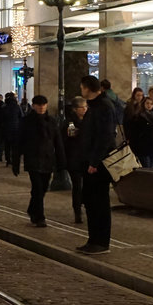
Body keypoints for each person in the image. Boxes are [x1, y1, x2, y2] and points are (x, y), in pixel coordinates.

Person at [78, 75, 118, 254]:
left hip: (98, 163)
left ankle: (100, 242)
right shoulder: (95, 106)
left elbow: (105, 136)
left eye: (82, 88)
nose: (81, 91)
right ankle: (93, 239)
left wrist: (94, 161)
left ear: (87, 88)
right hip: (90, 160)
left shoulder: (103, 106)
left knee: (98, 201)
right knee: (91, 201)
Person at [15, 94, 65, 228]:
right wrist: (15, 162)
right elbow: (19, 141)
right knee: (37, 188)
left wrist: (61, 161)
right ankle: (40, 217)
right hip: (33, 159)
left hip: (48, 159)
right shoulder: (26, 121)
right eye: (38, 105)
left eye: (43, 105)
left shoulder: (52, 121)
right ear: (33, 106)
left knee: (43, 188)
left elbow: (58, 141)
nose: (41, 107)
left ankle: (32, 209)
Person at [64, 96, 88, 224]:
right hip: (74, 158)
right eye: (82, 107)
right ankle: (77, 211)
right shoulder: (70, 122)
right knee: (77, 186)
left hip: (86, 158)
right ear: (75, 109)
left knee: (87, 186)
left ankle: (84, 205)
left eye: (85, 107)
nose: (84, 109)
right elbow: (71, 135)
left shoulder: (89, 120)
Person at [124, 93, 153, 169]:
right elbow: (133, 131)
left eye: (151, 104)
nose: (149, 105)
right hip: (143, 145)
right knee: (146, 166)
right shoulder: (138, 117)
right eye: (147, 103)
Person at [0, 92, 23, 169]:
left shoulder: (4, 107)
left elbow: (1, 118)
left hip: (6, 128)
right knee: (14, 146)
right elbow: (21, 116)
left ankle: (8, 160)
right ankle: (13, 160)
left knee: (7, 146)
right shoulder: (17, 107)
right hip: (16, 128)